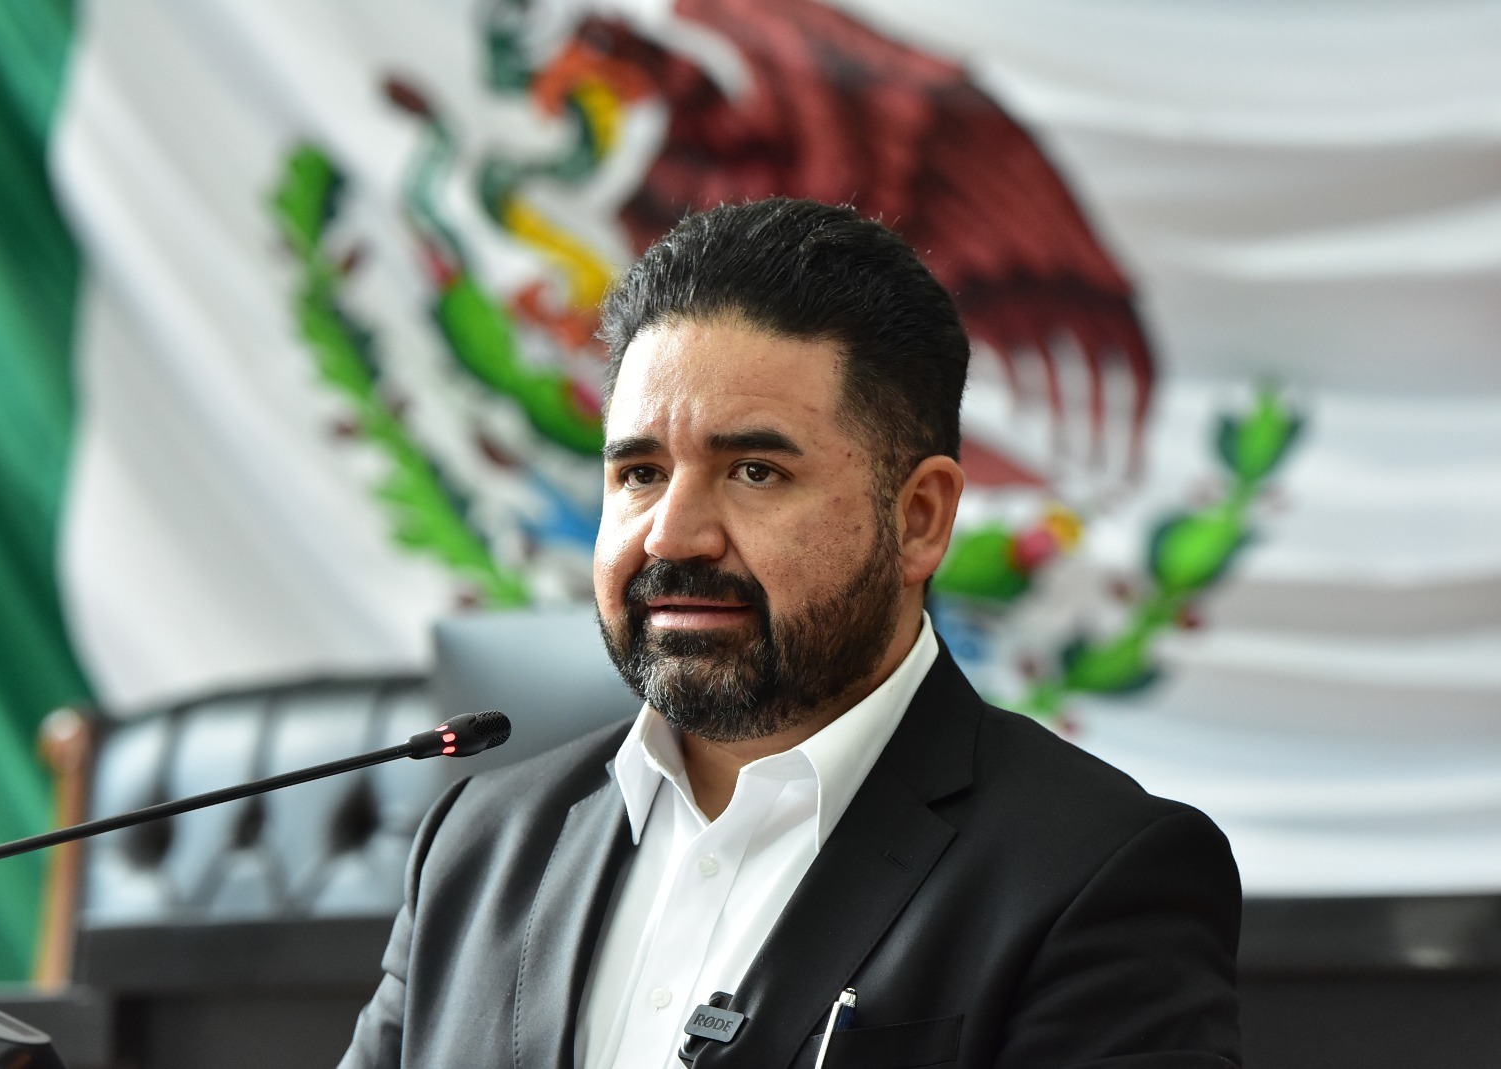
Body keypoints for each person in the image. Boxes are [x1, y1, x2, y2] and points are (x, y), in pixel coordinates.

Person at [339, 198, 1242, 1069]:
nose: (672, 536)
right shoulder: (478, 843)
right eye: (641, 472)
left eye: (756, 471)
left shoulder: (1095, 875)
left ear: (920, 519)